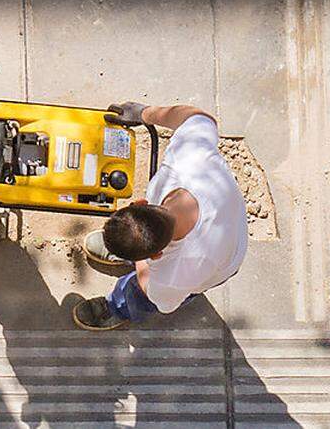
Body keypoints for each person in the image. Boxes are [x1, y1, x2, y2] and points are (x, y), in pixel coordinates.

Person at [71, 102, 248, 330]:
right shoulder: (188, 162)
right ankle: (131, 249)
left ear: (154, 256)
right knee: (140, 255)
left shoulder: (175, 275)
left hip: (223, 263)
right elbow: (199, 117)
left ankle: (118, 306)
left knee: (139, 296)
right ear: (141, 204)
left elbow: (156, 295)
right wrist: (144, 113)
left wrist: (140, 263)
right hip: (228, 221)